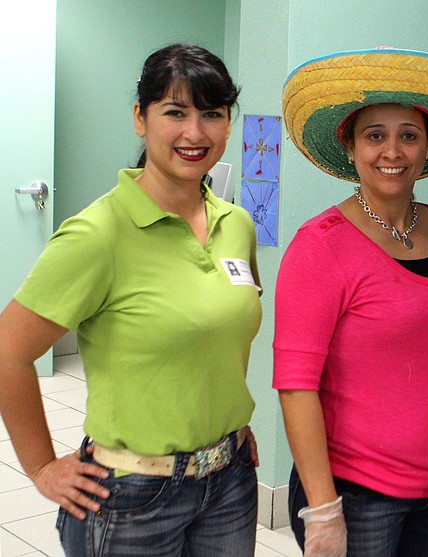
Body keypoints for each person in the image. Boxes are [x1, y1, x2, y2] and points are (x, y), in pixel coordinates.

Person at [0, 44, 262, 556]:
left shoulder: (237, 225)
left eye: (212, 114)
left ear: (229, 125)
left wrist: (225, 422)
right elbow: (8, 350)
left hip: (230, 483)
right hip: (133, 494)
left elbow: (218, 334)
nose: (195, 132)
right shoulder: (98, 234)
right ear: (140, 119)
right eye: (174, 112)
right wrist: (41, 466)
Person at [274, 48, 428, 557]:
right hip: (357, 493)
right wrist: (323, 510)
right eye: (375, 135)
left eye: (408, 135)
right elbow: (295, 385)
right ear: (349, 148)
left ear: (427, 149)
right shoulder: (320, 245)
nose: (391, 151)